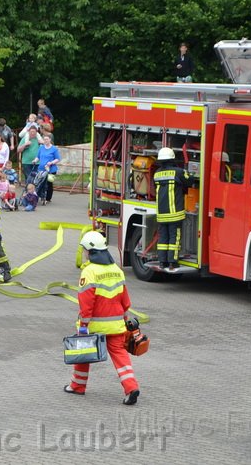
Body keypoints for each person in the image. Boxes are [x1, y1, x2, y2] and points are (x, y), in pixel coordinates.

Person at [64, 231, 140, 405]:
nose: (84, 253)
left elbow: (86, 302)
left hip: (94, 326)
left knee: (83, 354)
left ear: (91, 251)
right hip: (116, 325)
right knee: (120, 356)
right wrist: (124, 316)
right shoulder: (116, 270)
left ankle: (77, 386)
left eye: (85, 250)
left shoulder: (89, 271)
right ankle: (131, 387)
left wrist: (83, 325)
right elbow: (125, 299)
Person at [154, 147, 193, 271]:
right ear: (172, 158)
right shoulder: (178, 172)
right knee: (174, 238)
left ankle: (162, 262)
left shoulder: (157, 174)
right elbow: (190, 181)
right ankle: (172, 262)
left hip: (161, 214)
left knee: (162, 239)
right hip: (174, 213)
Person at [33, 134, 60, 205]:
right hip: (41, 169)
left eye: (47, 139)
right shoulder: (41, 147)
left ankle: (48, 198)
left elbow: (58, 159)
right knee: (40, 183)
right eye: (44, 139)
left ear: (50, 140)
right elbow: (38, 157)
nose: (45, 141)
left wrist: (51, 163)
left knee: (49, 184)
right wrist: (35, 160)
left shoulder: (54, 148)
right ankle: (41, 196)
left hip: (51, 169)